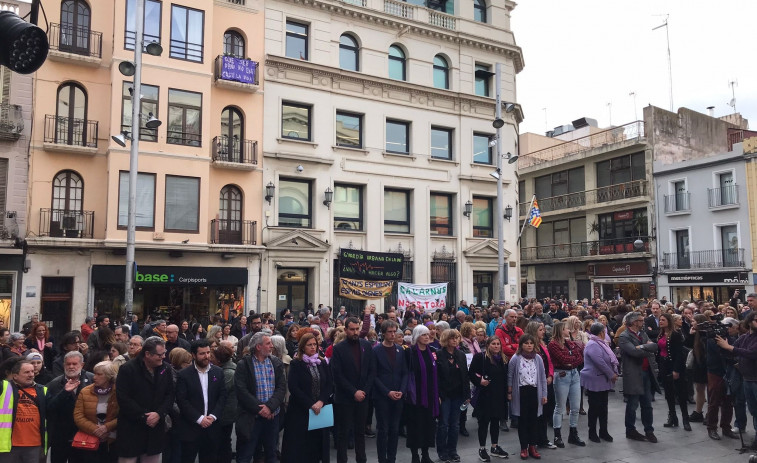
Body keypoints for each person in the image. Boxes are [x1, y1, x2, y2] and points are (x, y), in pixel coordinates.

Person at [115, 336, 174, 463]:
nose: (163, 357)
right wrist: (144, 416)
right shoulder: (128, 369)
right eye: (160, 354)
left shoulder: (166, 368)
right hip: (131, 428)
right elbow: (123, 398)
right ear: (147, 354)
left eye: (164, 353)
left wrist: (159, 413)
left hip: (155, 429)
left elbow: (170, 395)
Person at [235, 332, 287, 463]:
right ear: (258, 346)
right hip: (252, 417)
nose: (272, 346)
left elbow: (281, 388)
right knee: (246, 454)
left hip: (272, 417)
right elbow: (241, 391)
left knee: (271, 454)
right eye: (268, 343)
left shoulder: (276, 363)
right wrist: (261, 409)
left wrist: (269, 407)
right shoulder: (244, 365)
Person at [281, 333, 333, 463]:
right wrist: (311, 404)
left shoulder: (322, 362)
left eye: (315, 344)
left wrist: (321, 401)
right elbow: (294, 387)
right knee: (302, 445)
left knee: (319, 442)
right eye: (309, 345)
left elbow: (329, 384)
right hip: (301, 410)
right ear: (303, 347)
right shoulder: (296, 363)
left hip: (321, 408)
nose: (313, 347)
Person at [331, 316, 376, 463]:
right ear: (346, 330)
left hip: (363, 397)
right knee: (343, 434)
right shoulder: (338, 348)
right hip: (345, 398)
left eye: (357, 329)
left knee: (359, 433)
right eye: (352, 329)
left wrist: (364, 391)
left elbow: (371, 371)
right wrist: (353, 392)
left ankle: (361, 459)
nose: (355, 332)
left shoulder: (366, 345)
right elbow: (337, 375)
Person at [176, 339, 227, 463]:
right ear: (193, 355)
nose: (207, 356)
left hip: (212, 427)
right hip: (191, 428)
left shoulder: (218, 372)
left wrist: (213, 416)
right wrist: (199, 418)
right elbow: (182, 400)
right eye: (202, 353)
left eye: (208, 352)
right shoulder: (184, 375)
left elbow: (222, 396)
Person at [716, 311, 757, 448]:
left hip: (755, 379)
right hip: (747, 378)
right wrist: (722, 341)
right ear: (750, 322)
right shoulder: (745, 337)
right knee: (753, 409)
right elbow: (731, 349)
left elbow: (752, 353)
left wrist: (729, 347)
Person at [618, 312, 660, 443]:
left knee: (647, 404)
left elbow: (654, 346)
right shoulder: (624, 336)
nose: (643, 322)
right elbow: (634, 352)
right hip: (634, 373)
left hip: (647, 372)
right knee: (633, 404)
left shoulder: (642, 333)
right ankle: (630, 429)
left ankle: (649, 430)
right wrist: (645, 348)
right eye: (641, 320)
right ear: (634, 322)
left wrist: (641, 346)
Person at [46, 351, 94, 463]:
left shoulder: (92, 380)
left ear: (82, 365)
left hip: (85, 433)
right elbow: (50, 408)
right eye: (68, 364)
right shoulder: (54, 384)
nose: (71, 367)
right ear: (63, 365)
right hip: (61, 435)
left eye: (74, 364)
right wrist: (64, 392)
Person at [372, 320, 407, 463]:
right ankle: (382, 458)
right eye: (390, 332)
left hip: (398, 395)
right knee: (383, 429)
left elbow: (405, 372)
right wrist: (387, 392)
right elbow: (373, 375)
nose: (393, 334)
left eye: (395, 332)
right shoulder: (376, 350)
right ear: (384, 333)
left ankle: (392, 458)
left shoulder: (400, 350)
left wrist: (402, 391)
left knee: (394, 429)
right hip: (382, 397)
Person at [468, 336, 508, 462]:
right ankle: (482, 448)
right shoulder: (481, 357)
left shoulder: (503, 358)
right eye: (493, 344)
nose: (496, 346)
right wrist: (480, 381)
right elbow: (471, 373)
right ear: (488, 345)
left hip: (499, 395)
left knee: (495, 421)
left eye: (498, 344)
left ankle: (494, 447)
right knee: (484, 423)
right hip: (485, 395)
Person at [508, 335, 547, 460]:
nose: (529, 345)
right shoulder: (516, 358)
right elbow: (510, 376)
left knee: (534, 420)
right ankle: (524, 447)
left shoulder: (538, 358)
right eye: (526, 343)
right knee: (523, 421)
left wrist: (544, 394)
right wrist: (509, 391)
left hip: (535, 391)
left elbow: (542, 377)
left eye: (531, 343)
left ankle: (532, 446)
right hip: (521, 392)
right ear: (521, 345)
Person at [0, 360, 48, 461]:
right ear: (15, 376)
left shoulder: (43, 390)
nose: (31, 375)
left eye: (32, 372)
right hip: (8, 446)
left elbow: (54, 407)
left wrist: (65, 392)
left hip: (34, 445)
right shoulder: (4, 387)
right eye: (26, 372)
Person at [404, 325, 439, 463]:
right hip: (415, 395)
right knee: (414, 426)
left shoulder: (432, 351)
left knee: (428, 426)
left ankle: (425, 454)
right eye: (424, 335)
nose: (427, 337)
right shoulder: (410, 352)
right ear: (417, 337)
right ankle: (414, 455)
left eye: (428, 334)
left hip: (430, 394)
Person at [547, 320, 584, 447]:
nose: (569, 330)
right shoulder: (552, 345)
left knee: (575, 407)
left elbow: (579, 358)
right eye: (567, 329)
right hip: (562, 375)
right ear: (561, 330)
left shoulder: (569, 343)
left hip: (574, 374)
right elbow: (562, 359)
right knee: (560, 407)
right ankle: (557, 435)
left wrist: (571, 361)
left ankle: (573, 433)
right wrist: (571, 359)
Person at [73, 360, 119, 462]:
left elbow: (124, 415)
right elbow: (78, 416)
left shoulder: (118, 392)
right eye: (94, 374)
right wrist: (96, 430)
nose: (94, 377)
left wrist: (107, 427)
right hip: (90, 439)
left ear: (108, 376)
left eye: (99, 374)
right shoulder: (85, 392)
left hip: (113, 440)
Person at [580, 322, 618, 443]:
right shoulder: (593, 344)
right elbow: (599, 362)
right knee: (594, 407)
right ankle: (592, 432)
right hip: (595, 380)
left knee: (603, 407)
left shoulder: (601, 343)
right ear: (602, 332)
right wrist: (611, 374)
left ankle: (603, 431)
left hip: (602, 380)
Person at [436, 329, 470, 463]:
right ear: (445, 340)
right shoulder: (438, 354)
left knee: (455, 424)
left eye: (456, 338)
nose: (455, 340)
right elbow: (436, 377)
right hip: (444, 395)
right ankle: (442, 451)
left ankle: (453, 450)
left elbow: (465, 375)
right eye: (452, 338)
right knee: (443, 424)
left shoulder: (461, 354)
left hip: (458, 395)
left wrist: (467, 394)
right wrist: (437, 394)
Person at [703, 317, 740, 440]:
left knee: (728, 400)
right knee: (714, 401)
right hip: (715, 371)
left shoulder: (732, 338)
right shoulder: (713, 338)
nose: (728, 330)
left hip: (729, 371)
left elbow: (733, 352)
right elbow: (723, 353)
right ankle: (712, 427)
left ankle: (726, 427)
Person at [524, 322, 557, 450]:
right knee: (536, 412)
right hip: (536, 383)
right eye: (540, 330)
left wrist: (550, 375)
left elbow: (549, 362)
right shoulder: (531, 346)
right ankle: (533, 439)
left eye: (543, 329)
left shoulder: (543, 344)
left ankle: (543, 438)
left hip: (547, 381)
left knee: (547, 409)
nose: (543, 332)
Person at [656, 313, 690, 431]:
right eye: (660, 320)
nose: (661, 322)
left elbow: (679, 354)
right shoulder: (660, 334)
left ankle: (685, 418)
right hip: (664, 365)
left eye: (663, 320)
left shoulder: (675, 334)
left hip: (674, 365)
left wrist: (676, 370)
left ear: (669, 321)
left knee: (681, 393)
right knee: (669, 393)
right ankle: (672, 416)